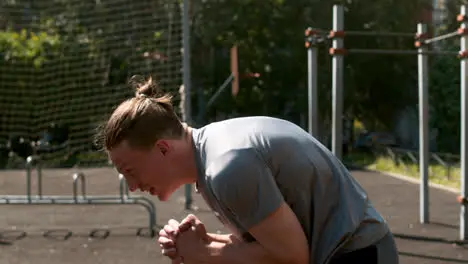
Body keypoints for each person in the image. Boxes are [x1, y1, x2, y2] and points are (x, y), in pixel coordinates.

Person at [97, 76, 399, 264]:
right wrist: (206, 242)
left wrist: (201, 254)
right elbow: (268, 246)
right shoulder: (213, 152)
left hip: (358, 254)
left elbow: (291, 257)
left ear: (163, 148)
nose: (133, 186)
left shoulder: (226, 167)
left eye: (130, 170)